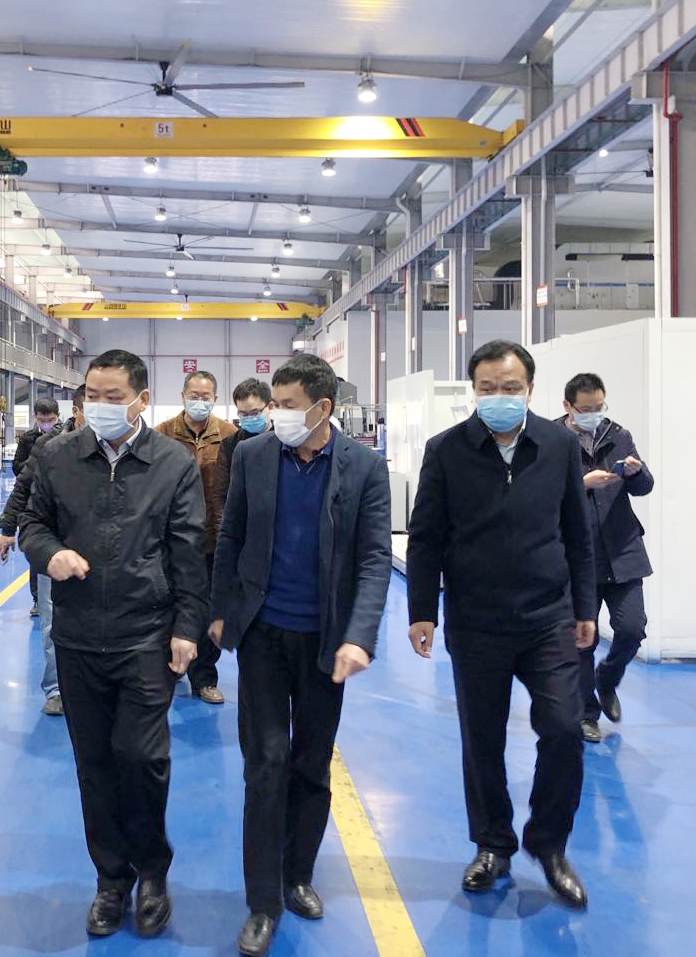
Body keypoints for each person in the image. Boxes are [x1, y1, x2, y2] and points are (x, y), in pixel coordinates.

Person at [20, 349, 207, 940]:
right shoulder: (57, 455)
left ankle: (152, 872)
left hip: (145, 636)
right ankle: (111, 880)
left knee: (142, 758)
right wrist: (50, 553)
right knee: (94, 765)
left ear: (141, 400)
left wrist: (187, 627)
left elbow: (188, 550)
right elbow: (32, 523)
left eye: (112, 397)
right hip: (77, 638)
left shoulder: (172, 462)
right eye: (91, 395)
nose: (98, 406)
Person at [209, 355, 391, 957]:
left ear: (322, 408)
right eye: (274, 403)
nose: (276, 414)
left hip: (325, 639)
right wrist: (220, 608)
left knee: (311, 765)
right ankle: (263, 902)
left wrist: (359, 635)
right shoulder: (254, 456)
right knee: (265, 763)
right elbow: (231, 534)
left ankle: (298, 875)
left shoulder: (364, 467)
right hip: (262, 633)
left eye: (286, 405)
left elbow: (373, 557)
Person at [406, 340, 596, 910]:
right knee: (482, 740)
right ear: (474, 390)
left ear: (530, 389)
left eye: (510, 388)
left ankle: (549, 843)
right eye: (487, 388)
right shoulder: (447, 450)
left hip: (548, 617)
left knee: (564, 729)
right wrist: (422, 610)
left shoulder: (559, 445)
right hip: (477, 620)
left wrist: (586, 608)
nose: (499, 397)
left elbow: (578, 533)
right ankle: (492, 844)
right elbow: (426, 536)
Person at [556, 373, 654, 744]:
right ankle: (586, 714)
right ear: (568, 407)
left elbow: (644, 488)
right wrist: (581, 484)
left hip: (622, 550)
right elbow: (540, 492)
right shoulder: (552, 440)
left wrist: (637, 472)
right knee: (582, 638)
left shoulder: (618, 435)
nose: (594, 415)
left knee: (632, 628)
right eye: (586, 409)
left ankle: (608, 678)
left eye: (599, 407)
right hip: (575, 557)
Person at [0, 395, 85, 716]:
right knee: (51, 623)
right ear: (77, 411)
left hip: (99, 550)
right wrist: (8, 527)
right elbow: (23, 485)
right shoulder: (49, 445)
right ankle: (56, 689)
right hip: (55, 545)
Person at [155, 370, 237, 704]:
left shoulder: (230, 436)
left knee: (208, 610)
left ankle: (204, 677)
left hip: (213, 540)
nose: (199, 401)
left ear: (215, 399)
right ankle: (170, 670)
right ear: (183, 396)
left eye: (206, 396)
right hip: (171, 539)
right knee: (168, 605)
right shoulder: (162, 434)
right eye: (194, 395)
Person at [14, 398, 61, 615]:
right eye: (42, 420)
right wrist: (36, 461)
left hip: (56, 499)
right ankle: (37, 599)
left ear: (57, 417)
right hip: (34, 499)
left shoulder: (64, 436)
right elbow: (17, 467)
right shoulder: (28, 439)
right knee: (37, 552)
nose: (46, 424)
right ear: (36, 417)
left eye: (50, 420)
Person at [213, 377, 273, 526]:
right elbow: (221, 494)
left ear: (270, 407)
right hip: (243, 523)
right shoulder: (230, 445)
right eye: (243, 414)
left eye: (254, 412)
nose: (249, 418)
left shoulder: (284, 440)